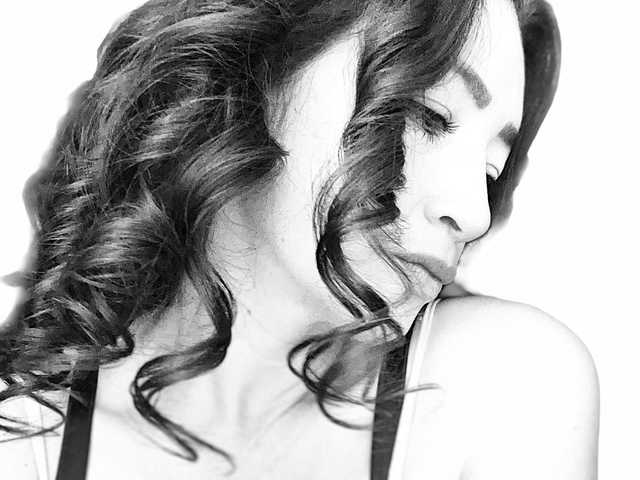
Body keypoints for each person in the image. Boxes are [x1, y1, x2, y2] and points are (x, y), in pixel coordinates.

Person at [0, 0, 599, 478]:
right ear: (249, 67)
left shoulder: (504, 389)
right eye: (426, 115)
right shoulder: (21, 441)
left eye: (490, 170)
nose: (473, 213)